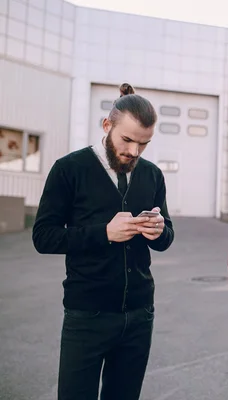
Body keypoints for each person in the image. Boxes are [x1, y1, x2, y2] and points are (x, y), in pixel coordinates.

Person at [32, 83, 175, 400]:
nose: (134, 152)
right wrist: (104, 233)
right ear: (107, 125)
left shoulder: (152, 175)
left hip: (139, 314)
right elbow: (43, 236)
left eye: (144, 144)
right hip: (87, 315)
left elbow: (166, 238)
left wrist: (159, 230)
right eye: (127, 140)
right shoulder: (69, 169)